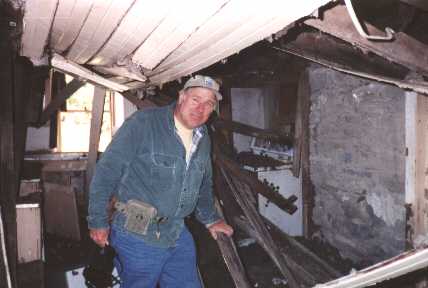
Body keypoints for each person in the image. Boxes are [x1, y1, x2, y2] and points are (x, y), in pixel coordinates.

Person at [87, 75, 234, 288]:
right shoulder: (144, 123)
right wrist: (97, 221)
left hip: (176, 230)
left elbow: (204, 182)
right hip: (137, 232)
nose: (200, 108)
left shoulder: (202, 136)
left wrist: (211, 219)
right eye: (195, 99)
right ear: (182, 97)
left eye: (209, 103)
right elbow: (106, 172)